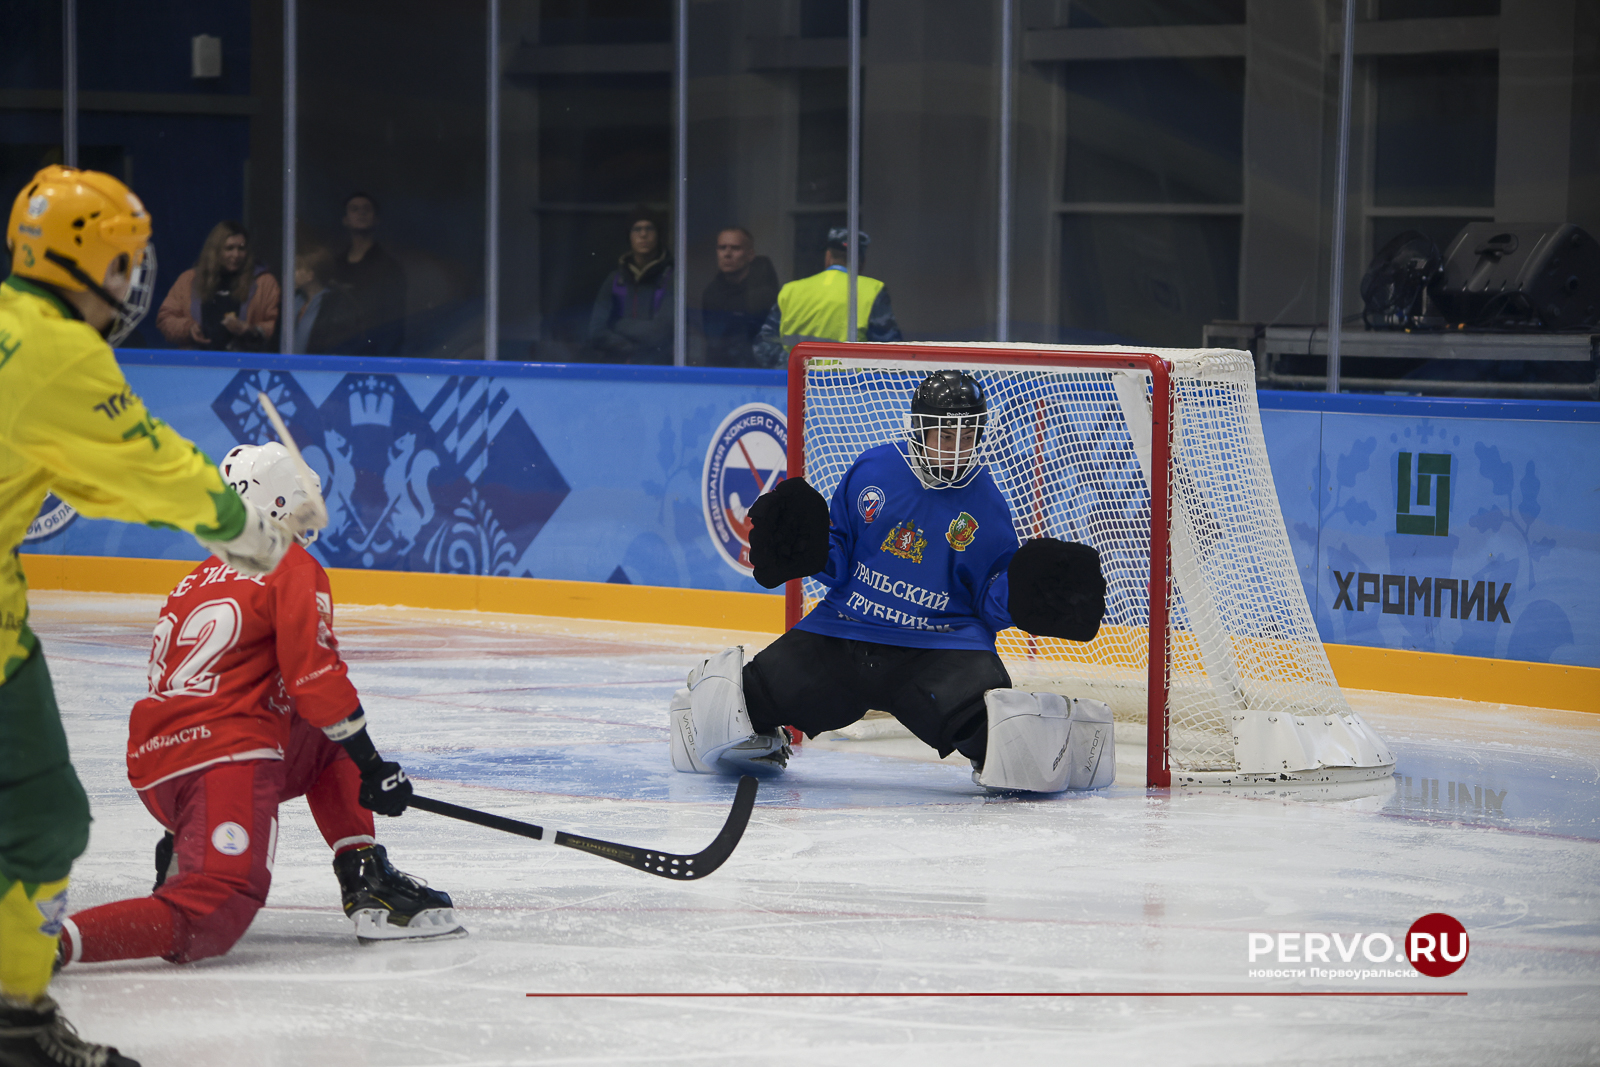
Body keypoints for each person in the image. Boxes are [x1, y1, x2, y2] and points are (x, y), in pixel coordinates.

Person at [1, 165, 309, 1067]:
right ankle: (13, 1019)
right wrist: (245, 526)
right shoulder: (60, 351)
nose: (137, 279)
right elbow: (148, 465)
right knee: (44, 817)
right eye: (128, 260)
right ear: (86, 262)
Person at [56, 442, 461, 971]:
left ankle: (363, 873)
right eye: (299, 499)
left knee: (321, 735)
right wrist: (373, 767)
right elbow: (315, 678)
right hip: (223, 760)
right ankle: (42, 945)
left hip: (158, 768)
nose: (309, 511)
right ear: (273, 502)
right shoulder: (290, 564)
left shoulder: (196, 577)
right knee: (214, 911)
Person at [668, 370, 1116, 795]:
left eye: (967, 435)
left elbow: (986, 598)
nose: (956, 448)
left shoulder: (987, 504)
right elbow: (840, 553)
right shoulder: (875, 470)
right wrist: (812, 551)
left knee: (1017, 744)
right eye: (945, 434)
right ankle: (767, 734)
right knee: (721, 713)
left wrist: (1018, 596)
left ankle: (1069, 738)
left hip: (939, 652)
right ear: (919, 429)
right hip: (842, 633)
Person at [752, 228, 902, 367]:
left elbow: (763, 346)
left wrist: (794, 367)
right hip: (848, 389)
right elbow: (889, 351)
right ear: (861, 262)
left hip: (795, 388)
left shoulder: (791, 290)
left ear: (828, 256)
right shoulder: (872, 290)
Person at [155, 220, 280, 351]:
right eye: (229, 248)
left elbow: (276, 327)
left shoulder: (264, 282)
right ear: (215, 250)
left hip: (243, 366)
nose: (236, 255)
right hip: (197, 364)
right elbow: (165, 319)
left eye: (241, 248)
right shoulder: (189, 280)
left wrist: (249, 330)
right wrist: (189, 329)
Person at [586, 209, 674, 364]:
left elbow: (659, 334)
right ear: (629, 236)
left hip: (657, 369)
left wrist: (617, 323)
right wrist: (630, 348)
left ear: (659, 235)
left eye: (649, 228)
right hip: (616, 367)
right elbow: (596, 333)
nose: (643, 235)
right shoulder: (614, 279)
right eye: (637, 229)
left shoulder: (671, 278)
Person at [331, 193, 407, 355]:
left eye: (367, 209)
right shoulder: (334, 267)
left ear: (376, 219)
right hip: (338, 354)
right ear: (345, 219)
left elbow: (394, 323)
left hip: (373, 356)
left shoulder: (389, 268)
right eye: (355, 209)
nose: (361, 213)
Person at [700, 227, 780, 368]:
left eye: (735, 248)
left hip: (757, 373)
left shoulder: (765, 296)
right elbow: (711, 340)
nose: (727, 254)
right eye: (722, 248)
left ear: (750, 255)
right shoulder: (711, 293)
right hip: (718, 371)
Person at [291, 243, 361, 355]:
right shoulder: (292, 301)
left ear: (310, 275)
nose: (292, 273)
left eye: (297, 268)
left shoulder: (335, 307)